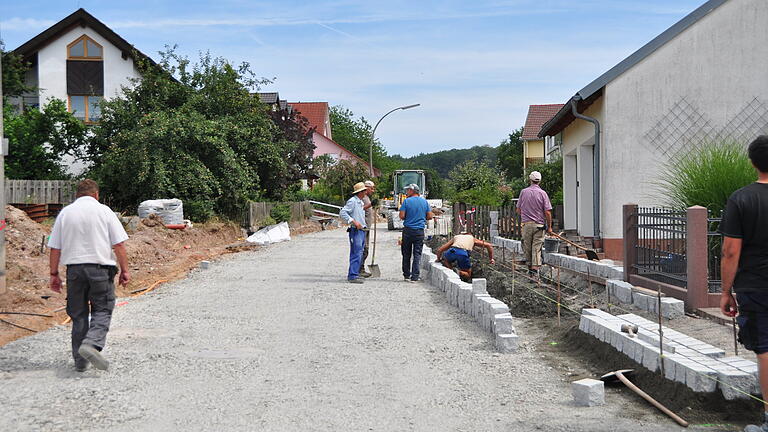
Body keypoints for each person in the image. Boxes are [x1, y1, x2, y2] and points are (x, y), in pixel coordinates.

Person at [48, 179, 130, 372]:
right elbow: (118, 244)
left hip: (74, 271)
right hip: (100, 269)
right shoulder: (104, 211)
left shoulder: (65, 213)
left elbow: (55, 247)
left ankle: (80, 361)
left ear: (77, 195)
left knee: (78, 315)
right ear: (96, 195)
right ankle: (91, 344)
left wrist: (54, 274)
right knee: (102, 310)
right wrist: (125, 270)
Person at [719, 135, 768, 432]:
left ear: (752, 162)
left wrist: (725, 291)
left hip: (756, 285)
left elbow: (730, 251)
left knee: (765, 350)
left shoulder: (742, 199)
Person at [516, 171, 553, 275]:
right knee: (536, 248)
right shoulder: (543, 193)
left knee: (527, 246)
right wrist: (549, 227)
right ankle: (535, 270)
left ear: (530, 180)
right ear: (539, 181)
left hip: (526, 225)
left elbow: (518, 210)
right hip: (539, 225)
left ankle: (530, 268)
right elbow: (547, 212)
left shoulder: (524, 192)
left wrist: (526, 214)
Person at [399, 184, 433, 282]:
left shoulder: (406, 201)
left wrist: (409, 217)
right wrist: (421, 217)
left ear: (412, 191)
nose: (406, 192)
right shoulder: (424, 202)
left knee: (406, 253)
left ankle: (406, 275)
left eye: (408, 190)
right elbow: (430, 216)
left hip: (408, 230)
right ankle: (415, 276)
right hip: (419, 231)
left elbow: (401, 216)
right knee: (417, 254)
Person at [339, 182, 368, 284]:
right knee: (356, 252)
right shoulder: (352, 201)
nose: (365, 192)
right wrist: (353, 221)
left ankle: (355, 273)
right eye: (364, 190)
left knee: (359, 252)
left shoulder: (360, 202)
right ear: (360, 192)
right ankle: (352, 275)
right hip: (355, 230)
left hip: (361, 230)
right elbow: (343, 212)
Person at [359, 180, 376, 277]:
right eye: (372, 188)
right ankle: (359, 269)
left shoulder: (367, 198)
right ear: (366, 188)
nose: (373, 191)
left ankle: (361, 268)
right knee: (363, 249)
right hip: (363, 228)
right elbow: (360, 209)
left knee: (365, 249)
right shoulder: (362, 199)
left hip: (367, 228)